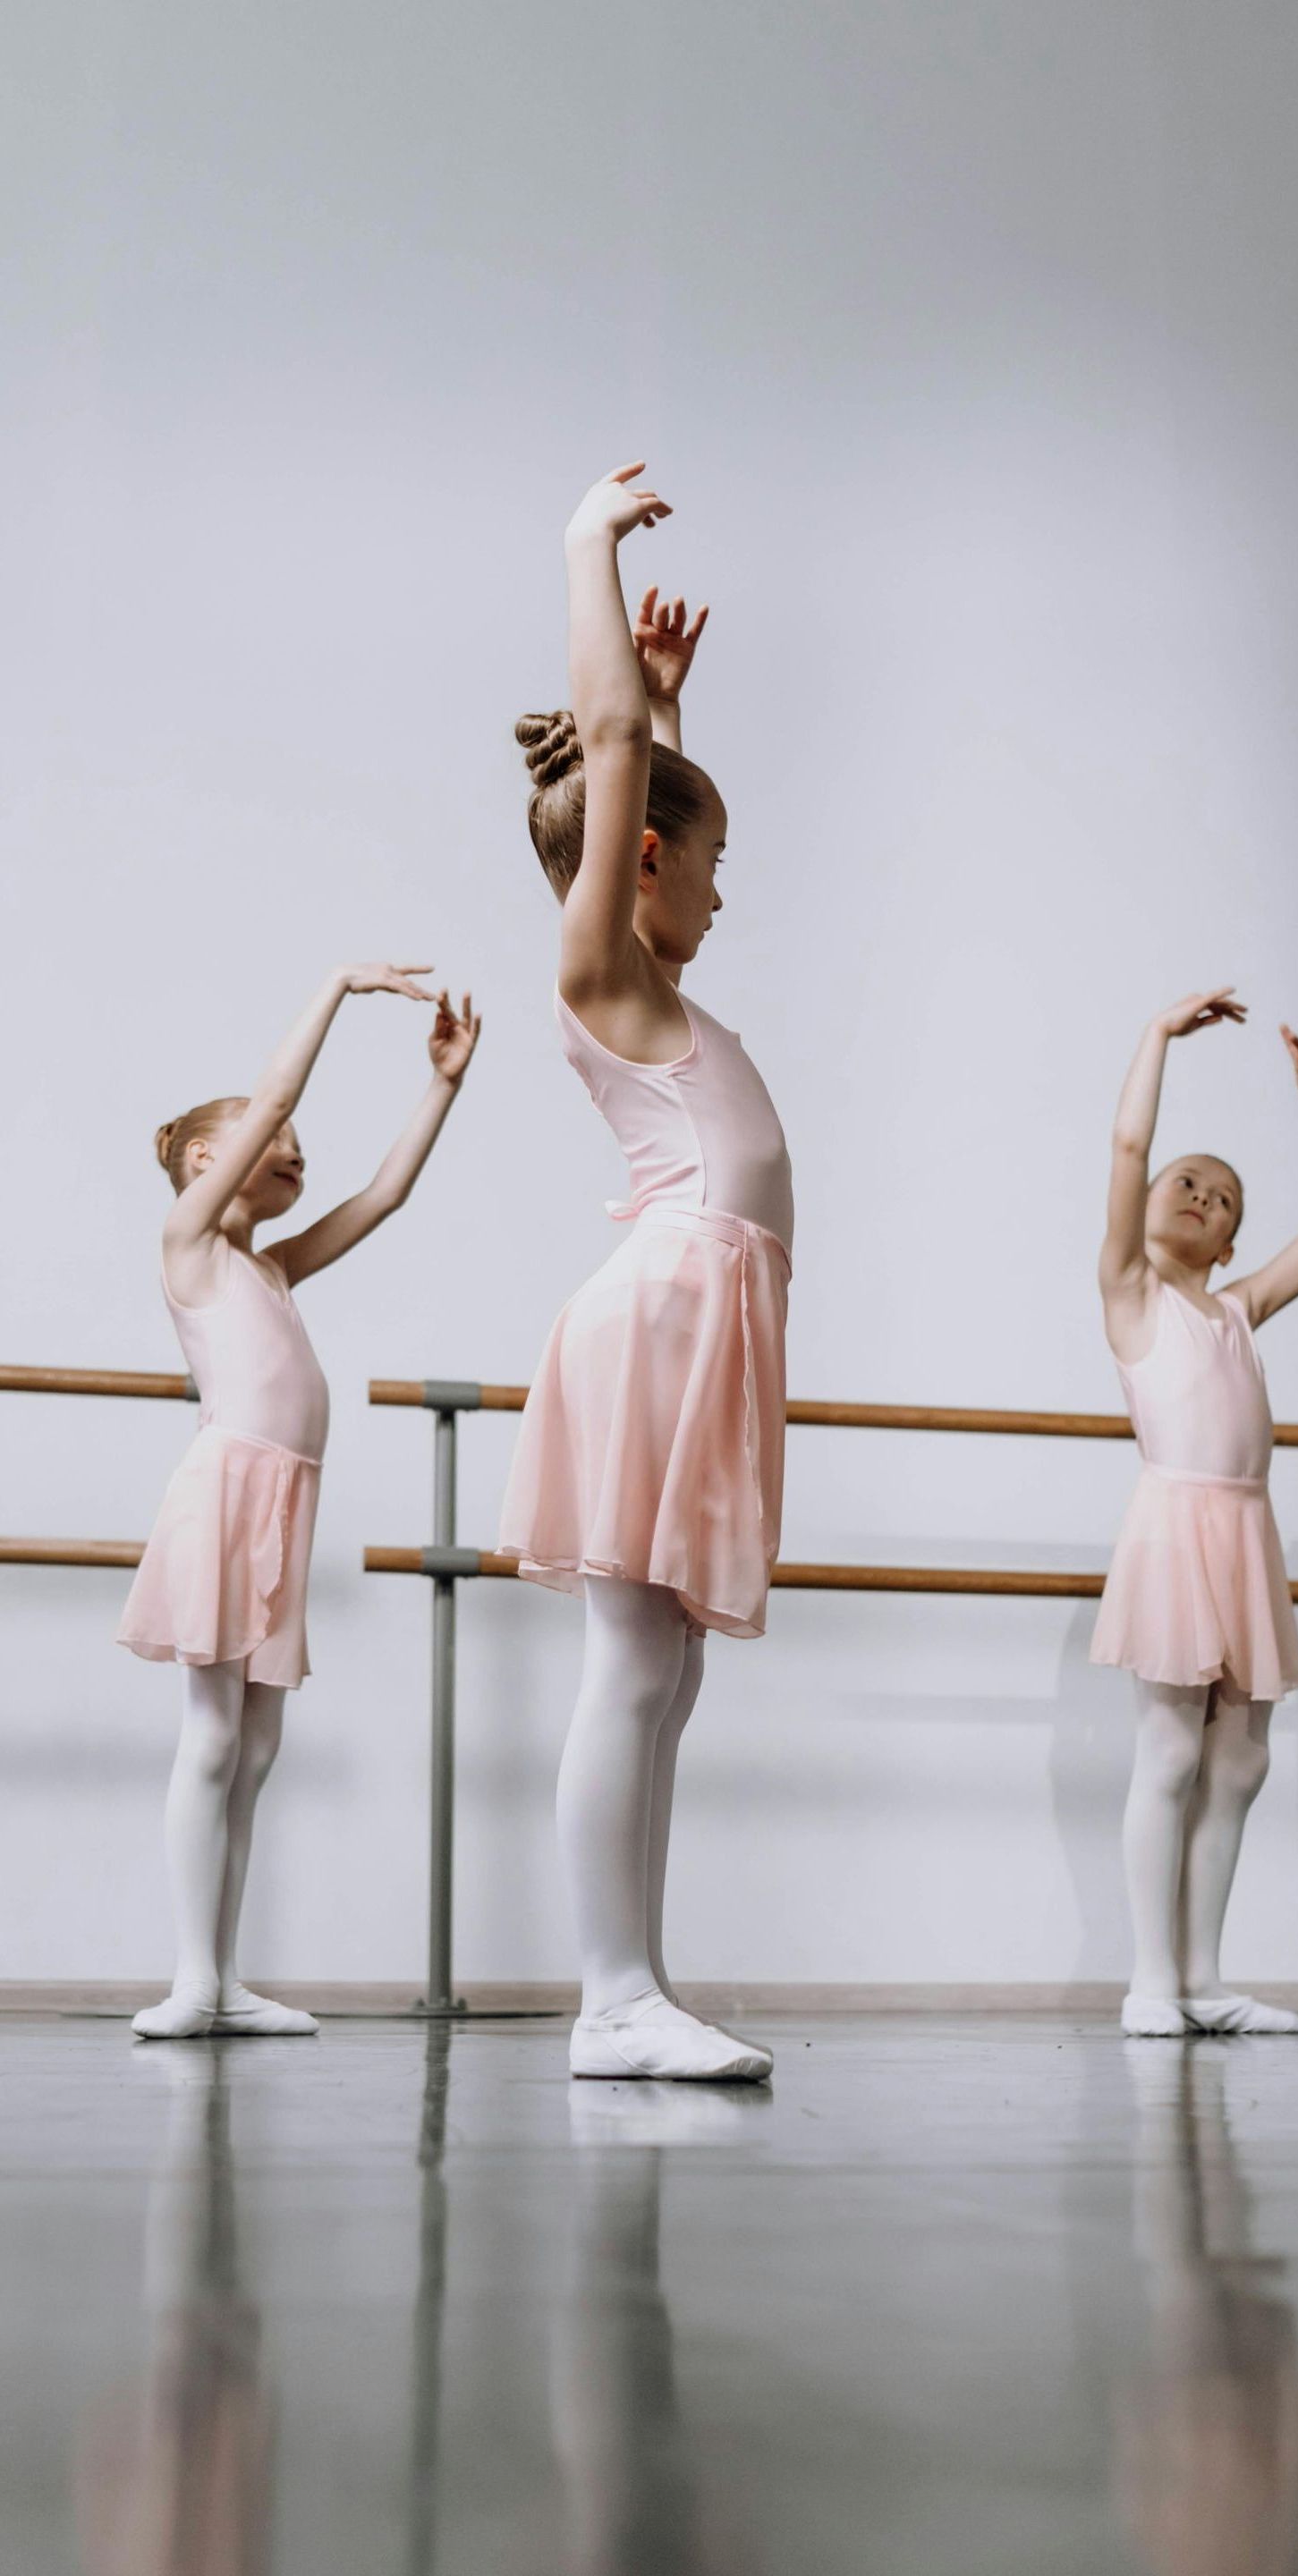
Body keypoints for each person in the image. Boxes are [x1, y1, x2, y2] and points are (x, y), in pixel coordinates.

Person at [501, 463, 792, 2082]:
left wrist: (668, 707)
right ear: (640, 868)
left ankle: (636, 1987)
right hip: (663, 1314)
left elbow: (634, 761)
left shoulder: (647, 972)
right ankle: (609, 1999)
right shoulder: (599, 968)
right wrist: (586, 550)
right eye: (709, 854)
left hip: (706, 1318)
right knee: (630, 1662)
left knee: (662, 1670)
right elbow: (609, 758)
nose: (724, 889)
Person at [119, 967, 479, 2038]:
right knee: (215, 1738)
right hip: (226, 1491)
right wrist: (339, 989)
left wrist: (443, 1088)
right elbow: (274, 1100)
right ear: (202, 1161)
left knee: (258, 1749)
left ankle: (223, 1980)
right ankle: (190, 1980)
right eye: (278, 1140)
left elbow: (382, 1196)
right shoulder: (190, 1251)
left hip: (286, 1502)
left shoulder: (271, 1272)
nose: (295, 1152)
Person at [1092, 990, 1298, 2037]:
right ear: (1152, 1205)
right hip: (1176, 1524)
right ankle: (1149, 1983)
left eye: (1227, 1199)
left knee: (1240, 1762)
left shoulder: (1238, 1309)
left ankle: (1203, 1980)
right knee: (1168, 1752)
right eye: (1187, 1182)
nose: (1205, 1197)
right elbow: (1126, 1142)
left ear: (1232, 1240)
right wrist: (1155, 1036)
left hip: (1246, 1533)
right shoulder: (1132, 1292)